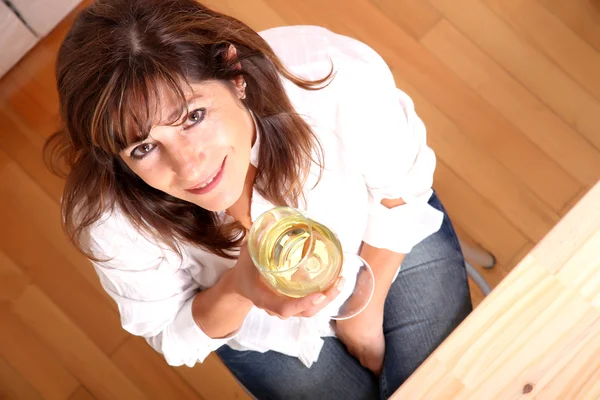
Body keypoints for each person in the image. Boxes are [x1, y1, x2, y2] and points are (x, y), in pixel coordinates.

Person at [44, 0, 472, 399]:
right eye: (143, 148)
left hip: (381, 237)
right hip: (263, 334)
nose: (190, 169)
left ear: (234, 73)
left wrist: (364, 313)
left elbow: (403, 184)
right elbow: (172, 335)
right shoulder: (107, 217)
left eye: (193, 117)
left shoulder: (328, 76)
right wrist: (238, 288)